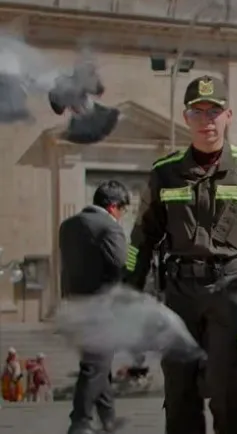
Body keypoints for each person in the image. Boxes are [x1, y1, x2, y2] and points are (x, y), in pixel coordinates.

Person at [124, 76, 237, 434]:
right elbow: (141, 238)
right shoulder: (164, 173)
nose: (206, 119)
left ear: (229, 115)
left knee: (229, 390)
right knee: (180, 392)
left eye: (214, 111)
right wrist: (129, 292)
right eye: (198, 112)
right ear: (186, 118)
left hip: (231, 293)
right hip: (180, 294)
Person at [59, 180, 131, 433]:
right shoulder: (109, 227)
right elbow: (121, 263)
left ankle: (108, 419)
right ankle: (79, 421)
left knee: (98, 363)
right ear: (113, 207)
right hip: (102, 307)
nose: (122, 216)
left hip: (74, 304)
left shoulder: (68, 225)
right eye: (123, 210)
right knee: (94, 367)